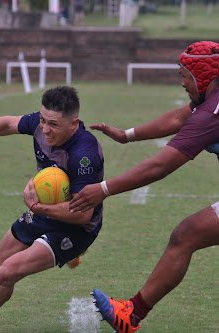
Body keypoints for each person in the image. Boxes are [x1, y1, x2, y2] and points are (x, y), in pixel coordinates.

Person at [68, 41, 219, 333]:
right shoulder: (210, 103)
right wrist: (127, 135)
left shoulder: (212, 112)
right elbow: (179, 116)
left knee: (186, 234)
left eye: (185, 75)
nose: (182, 82)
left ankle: (131, 315)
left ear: (204, 76)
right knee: (187, 234)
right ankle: (131, 315)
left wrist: (104, 189)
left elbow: (160, 166)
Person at [0, 86, 105, 333]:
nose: (45, 130)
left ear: (74, 123)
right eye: (42, 121)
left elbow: (83, 214)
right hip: (42, 210)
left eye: (54, 125)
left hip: (76, 227)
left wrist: (37, 206)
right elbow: (7, 124)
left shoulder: (84, 155)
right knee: (1, 263)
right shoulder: (41, 125)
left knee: (7, 273)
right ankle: (70, 256)